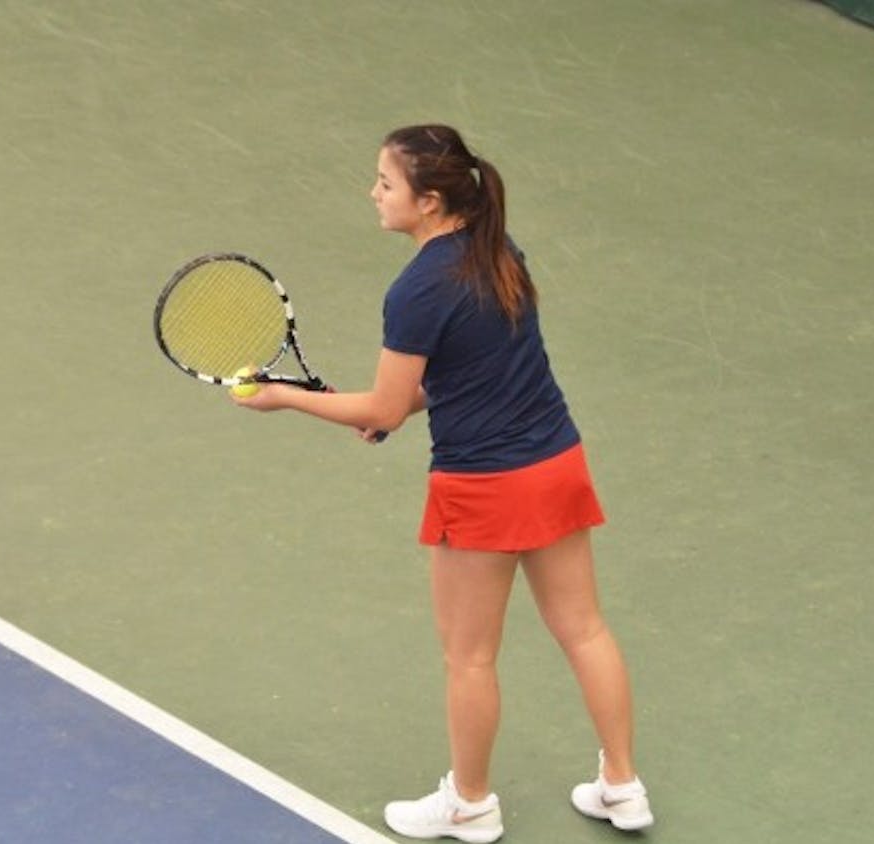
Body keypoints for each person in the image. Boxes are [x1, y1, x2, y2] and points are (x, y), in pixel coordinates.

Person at [230, 124, 652, 842]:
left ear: (428, 201)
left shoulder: (418, 289)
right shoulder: (497, 250)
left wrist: (284, 397)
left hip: (485, 487)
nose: (373, 193)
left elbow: (385, 405)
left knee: (469, 657)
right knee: (585, 630)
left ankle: (471, 803)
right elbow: (461, 374)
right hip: (555, 464)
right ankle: (623, 785)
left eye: (386, 183)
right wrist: (395, 411)